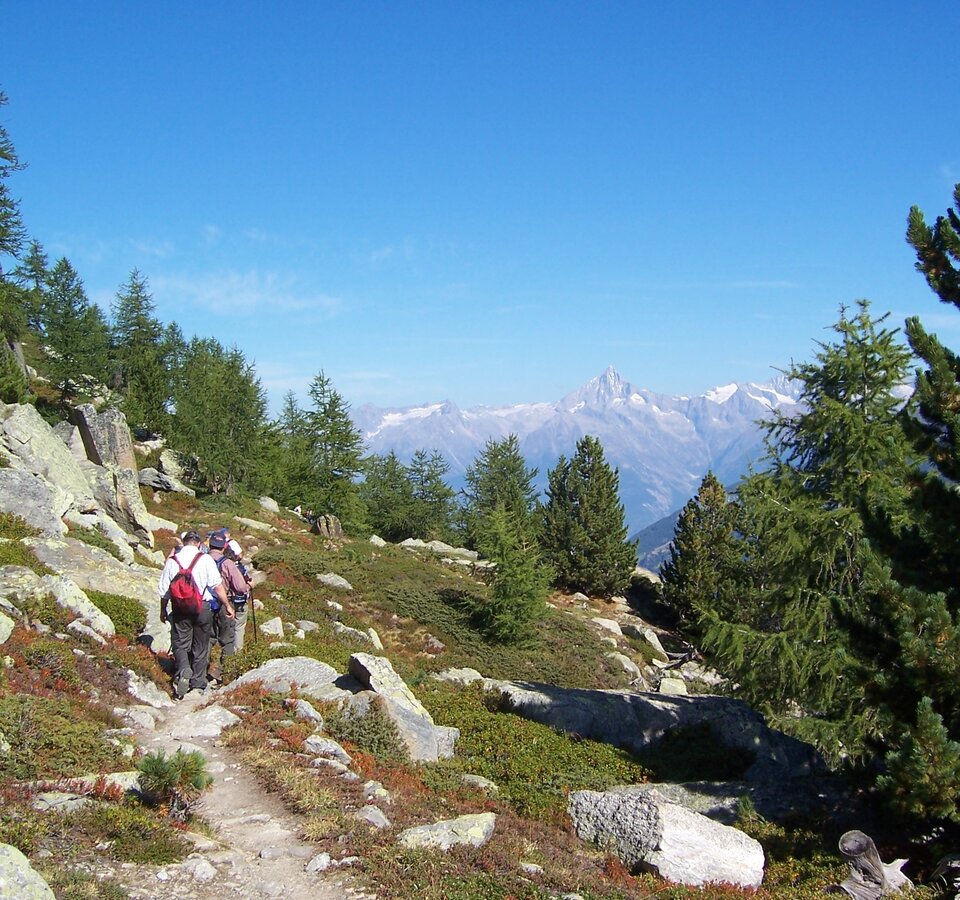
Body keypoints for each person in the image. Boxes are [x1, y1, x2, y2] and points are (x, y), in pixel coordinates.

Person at [158, 530, 233, 699]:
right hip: (202, 608)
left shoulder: (172, 561)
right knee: (201, 646)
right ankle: (198, 684)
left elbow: (164, 591)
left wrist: (163, 610)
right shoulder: (205, 559)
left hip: (180, 608)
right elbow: (217, 586)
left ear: (184, 543)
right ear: (199, 544)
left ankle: (184, 669)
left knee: (180, 643)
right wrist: (227, 605)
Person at [206, 532, 247, 682]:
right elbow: (240, 587)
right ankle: (227, 674)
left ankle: (202, 671)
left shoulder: (201, 559)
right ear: (224, 547)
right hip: (225, 604)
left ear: (209, 544)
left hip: (204, 604)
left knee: (207, 638)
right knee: (227, 639)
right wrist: (249, 585)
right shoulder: (227, 563)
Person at [225, 538, 254, 651]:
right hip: (241, 600)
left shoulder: (224, 566)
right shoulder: (242, 568)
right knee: (239, 626)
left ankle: (226, 650)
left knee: (226, 626)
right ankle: (238, 651)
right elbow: (247, 582)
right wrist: (250, 586)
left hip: (228, 600)